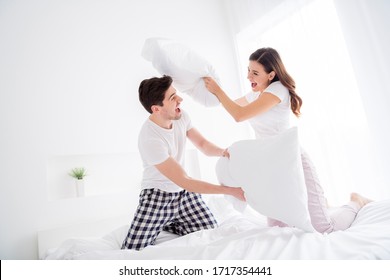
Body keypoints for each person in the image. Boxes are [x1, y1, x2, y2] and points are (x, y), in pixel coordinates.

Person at [203, 47, 372, 233]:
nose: (249, 77)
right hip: (272, 168)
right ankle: (323, 205)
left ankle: (356, 201)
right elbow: (230, 105)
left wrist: (218, 90)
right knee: (278, 230)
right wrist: (204, 87)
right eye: (248, 70)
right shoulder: (255, 95)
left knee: (325, 228)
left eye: (255, 73)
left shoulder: (278, 90)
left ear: (271, 75)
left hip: (293, 162)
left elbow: (239, 115)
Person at [121, 75, 245, 250]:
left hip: (184, 195)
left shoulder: (181, 116)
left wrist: (224, 152)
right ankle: (165, 220)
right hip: (157, 197)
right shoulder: (150, 138)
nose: (180, 100)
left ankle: (170, 222)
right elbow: (185, 180)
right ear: (156, 109)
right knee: (131, 250)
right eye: (173, 98)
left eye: (176, 94)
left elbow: (202, 144)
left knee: (211, 233)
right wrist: (230, 191)